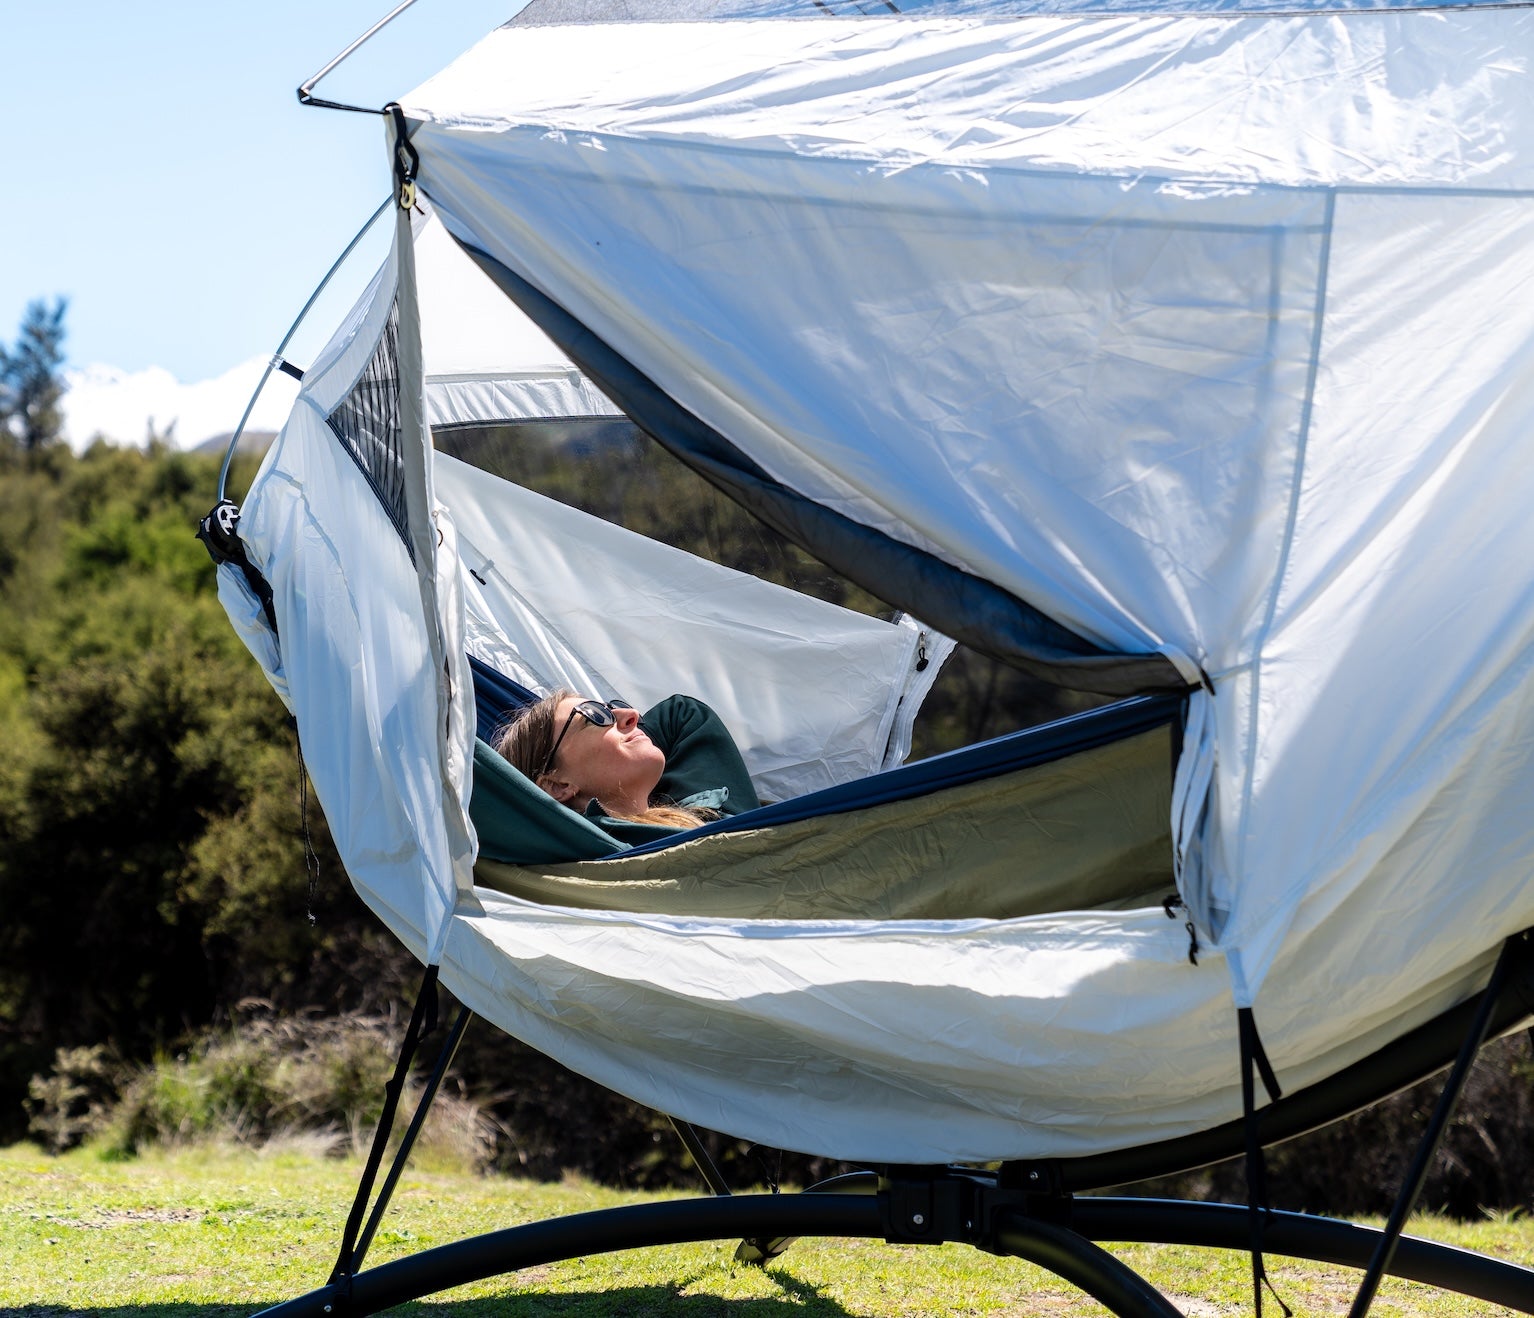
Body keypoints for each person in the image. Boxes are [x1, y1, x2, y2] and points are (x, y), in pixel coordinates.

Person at [494, 689, 761, 838]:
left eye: (614, 707)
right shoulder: (594, 857)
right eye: (594, 716)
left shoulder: (702, 820)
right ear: (556, 785)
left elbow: (682, 711)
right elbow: (681, 713)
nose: (632, 715)